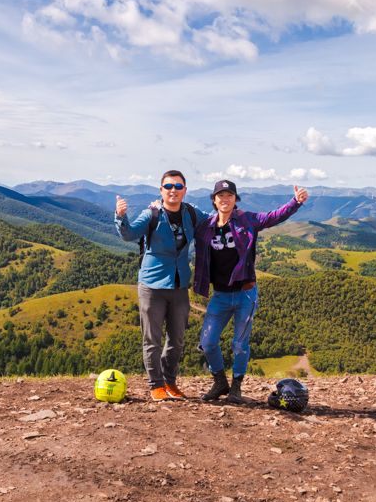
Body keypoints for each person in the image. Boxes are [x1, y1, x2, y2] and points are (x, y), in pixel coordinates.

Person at [194, 180, 308, 403]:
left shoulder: (247, 220)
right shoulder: (205, 226)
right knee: (207, 342)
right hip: (220, 295)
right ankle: (220, 382)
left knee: (239, 344)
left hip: (245, 293)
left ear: (235, 199)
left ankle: (236, 387)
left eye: (229, 195)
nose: (225, 199)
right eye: (220, 195)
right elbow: (182, 219)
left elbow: (274, 216)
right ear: (214, 200)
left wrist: (296, 202)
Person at [115, 170, 209, 401]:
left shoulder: (191, 213)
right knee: (152, 339)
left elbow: (215, 219)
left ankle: (170, 381)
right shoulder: (152, 214)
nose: (173, 191)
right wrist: (120, 216)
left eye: (178, 187)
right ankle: (156, 385)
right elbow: (129, 234)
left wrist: (234, 211)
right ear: (161, 190)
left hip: (179, 286)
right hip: (152, 285)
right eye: (168, 186)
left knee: (176, 340)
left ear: (185, 191)